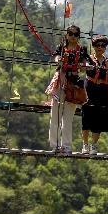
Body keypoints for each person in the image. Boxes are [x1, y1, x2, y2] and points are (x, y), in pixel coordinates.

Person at [47, 24, 89, 153]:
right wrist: (58, 59)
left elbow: (84, 65)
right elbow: (56, 57)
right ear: (67, 35)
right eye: (70, 34)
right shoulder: (61, 47)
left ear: (79, 36)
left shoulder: (82, 50)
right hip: (60, 80)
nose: (73, 36)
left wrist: (83, 66)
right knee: (55, 115)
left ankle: (66, 146)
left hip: (73, 84)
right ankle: (54, 145)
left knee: (68, 117)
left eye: (76, 34)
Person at [80, 35, 108, 154]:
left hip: (103, 91)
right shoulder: (89, 59)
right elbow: (82, 70)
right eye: (97, 45)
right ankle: (85, 144)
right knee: (86, 117)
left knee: (99, 118)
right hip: (89, 90)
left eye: (102, 45)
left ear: (105, 47)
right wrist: (85, 66)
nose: (100, 47)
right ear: (94, 46)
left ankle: (93, 145)